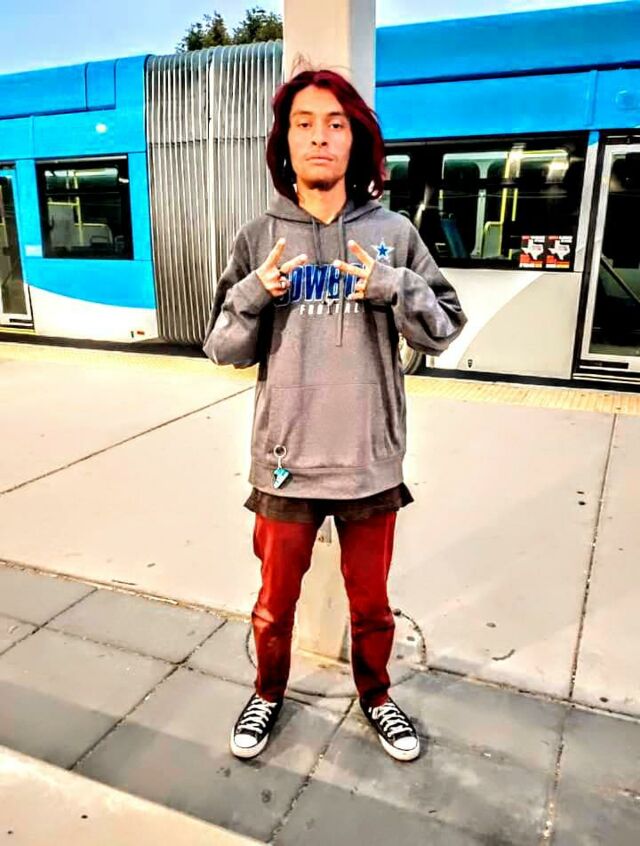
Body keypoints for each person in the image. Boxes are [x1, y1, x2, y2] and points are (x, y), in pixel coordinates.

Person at [202, 68, 467, 763]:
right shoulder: (258, 237)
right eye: (304, 124)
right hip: (285, 463)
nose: (319, 137)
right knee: (273, 604)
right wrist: (255, 294)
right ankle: (267, 692)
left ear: (356, 142)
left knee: (371, 605)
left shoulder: (393, 233)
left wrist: (393, 285)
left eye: (335, 124)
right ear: (285, 144)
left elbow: (443, 329)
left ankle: (376, 696)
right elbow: (222, 348)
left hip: (368, 461)